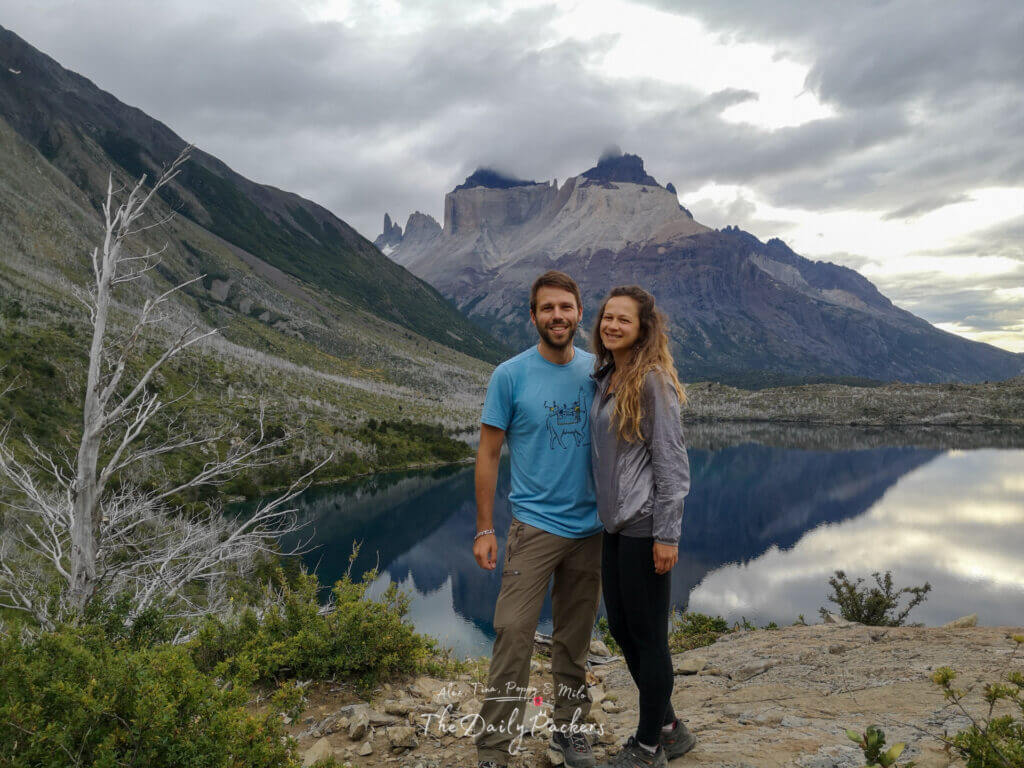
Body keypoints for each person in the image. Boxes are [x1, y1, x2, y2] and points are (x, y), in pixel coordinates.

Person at [473, 270, 603, 768]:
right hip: (533, 528)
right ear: (533, 317)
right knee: (512, 635)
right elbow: (488, 454)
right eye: (547, 308)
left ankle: (568, 734)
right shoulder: (510, 375)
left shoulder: (598, 371)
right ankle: (493, 750)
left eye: (565, 307)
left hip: (591, 531)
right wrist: (485, 528)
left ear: (578, 314)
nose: (557, 316)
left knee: (573, 640)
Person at [589, 286, 695, 768]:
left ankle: (649, 745)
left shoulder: (652, 381)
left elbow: (672, 464)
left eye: (622, 320)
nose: (611, 325)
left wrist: (667, 535)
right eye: (607, 318)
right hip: (613, 527)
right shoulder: (609, 375)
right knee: (622, 629)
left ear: (642, 328)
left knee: (649, 637)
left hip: (644, 527)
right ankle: (670, 727)